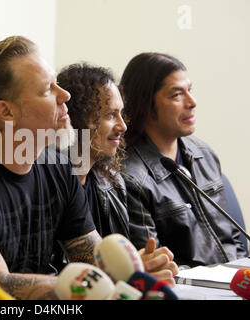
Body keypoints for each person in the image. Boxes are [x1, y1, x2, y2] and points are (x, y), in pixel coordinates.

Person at [0, 36, 176, 300]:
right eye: (47, 89)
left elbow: (92, 260)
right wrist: (86, 285)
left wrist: (133, 274)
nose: (65, 96)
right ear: (6, 112)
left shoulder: (58, 167)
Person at [119, 52, 247, 267]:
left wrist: (238, 272)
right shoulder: (131, 176)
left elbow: (234, 239)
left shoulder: (203, 153)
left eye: (190, 90)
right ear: (146, 104)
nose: (192, 102)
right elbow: (155, 265)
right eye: (177, 95)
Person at [57, 62, 178, 284]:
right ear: (77, 119)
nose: (122, 126)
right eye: (111, 115)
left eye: (121, 114)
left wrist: (144, 266)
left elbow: (122, 270)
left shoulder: (112, 182)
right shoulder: (46, 187)